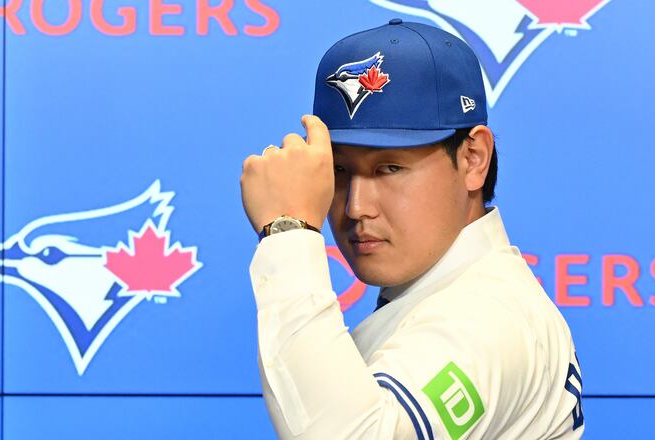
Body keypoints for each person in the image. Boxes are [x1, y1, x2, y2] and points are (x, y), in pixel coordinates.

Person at [240, 19, 584, 440]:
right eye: (339, 170)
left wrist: (288, 234)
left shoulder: (487, 314)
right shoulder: (443, 296)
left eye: (390, 168)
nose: (356, 206)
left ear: (473, 158)